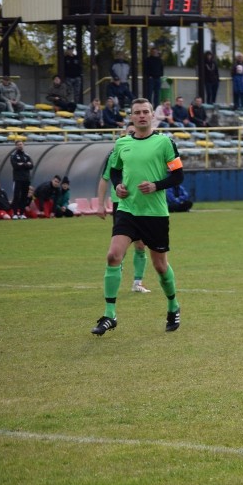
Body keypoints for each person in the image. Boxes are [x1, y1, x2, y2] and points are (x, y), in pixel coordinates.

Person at [92, 98, 184, 336]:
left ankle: (173, 306)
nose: (142, 115)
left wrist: (156, 185)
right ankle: (109, 314)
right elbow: (113, 171)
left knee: (160, 266)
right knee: (113, 256)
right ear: (131, 117)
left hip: (154, 213)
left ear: (153, 115)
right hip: (127, 209)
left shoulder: (165, 142)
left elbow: (178, 176)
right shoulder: (122, 143)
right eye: (137, 112)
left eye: (146, 112)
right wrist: (119, 185)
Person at [97, 123, 152, 294]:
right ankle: (115, 275)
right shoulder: (116, 153)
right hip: (121, 204)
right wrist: (100, 204)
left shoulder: (146, 150)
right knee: (121, 246)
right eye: (129, 132)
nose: (132, 134)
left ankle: (137, 282)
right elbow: (105, 178)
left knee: (141, 244)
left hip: (142, 202)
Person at [9, 140, 33, 219]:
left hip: (26, 179)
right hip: (17, 179)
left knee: (24, 197)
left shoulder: (27, 155)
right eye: (18, 144)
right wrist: (26, 164)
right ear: (16, 146)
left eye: (21, 144)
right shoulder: (13, 155)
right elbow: (15, 166)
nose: (20, 146)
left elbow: (31, 165)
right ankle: (15, 213)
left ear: (23, 145)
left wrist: (22, 164)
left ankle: (22, 214)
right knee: (16, 196)